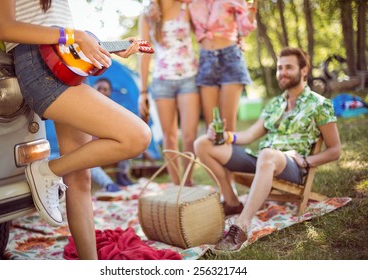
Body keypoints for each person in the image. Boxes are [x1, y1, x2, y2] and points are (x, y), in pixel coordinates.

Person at [0, 0, 151, 260]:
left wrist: (101, 47)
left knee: (80, 180)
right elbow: (5, 27)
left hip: (64, 62)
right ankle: (46, 171)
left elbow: (56, 29)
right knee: (137, 136)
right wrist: (73, 35)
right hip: (38, 66)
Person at [194, 47, 342, 251]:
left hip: (291, 167)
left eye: (289, 67)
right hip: (263, 160)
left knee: (267, 155)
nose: (282, 72)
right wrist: (225, 136)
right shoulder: (275, 104)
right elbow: (249, 135)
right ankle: (231, 201)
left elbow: (335, 150)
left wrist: (307, 161)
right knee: (202, 144)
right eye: (280, 68)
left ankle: (241, 226)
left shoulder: (320, 104)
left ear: (304, 70)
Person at [138, 0, 200, 186]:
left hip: (189, 78)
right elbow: (144, 53)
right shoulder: (148, 15)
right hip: (162, 81)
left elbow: (205, 33)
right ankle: (176, 185)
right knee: (170, 136)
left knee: (189, 136)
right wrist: (143, 91)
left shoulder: (186, 7)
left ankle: (188, 183)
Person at [188, 0, 258, 132]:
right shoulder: (191, 2)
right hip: (206, 59)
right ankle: (212, 153)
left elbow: (243, 29)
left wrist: (253, 9)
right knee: (212, 127)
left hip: (230, 58)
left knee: (228, 127)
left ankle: (230, 153)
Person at [93, 78, 135, 186]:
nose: (102, 92)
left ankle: (122, 175)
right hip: (91, 145)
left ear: (110, 92)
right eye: (99, 88)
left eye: (105, 89)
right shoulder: (85, 109)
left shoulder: (113, 110)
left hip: (107, 144)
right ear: (92, 89)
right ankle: (108, 184)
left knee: (126, 139)